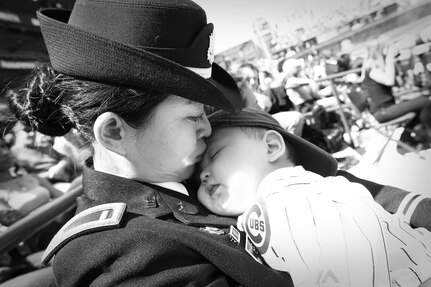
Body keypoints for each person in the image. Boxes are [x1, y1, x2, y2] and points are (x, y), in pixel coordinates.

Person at [4, 0, 431, 286]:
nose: (208, 130)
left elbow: (342, 187)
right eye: (192, 115)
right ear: (115, 132)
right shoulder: (116, 253)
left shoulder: (182, 165)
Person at [197, 108, 431, 287]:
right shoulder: (264, 210)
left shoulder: (290, 196)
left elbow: (347, 262)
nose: (204, 175)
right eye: (197, 178)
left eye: (215, 154)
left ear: (271, 146)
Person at [358, 36, 431, 147]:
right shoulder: (372, 68)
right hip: (382, 112)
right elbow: (389, 81)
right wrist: (389, 59)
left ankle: (417, 135)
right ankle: (424, 134)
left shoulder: (372, 66)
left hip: (387, 108)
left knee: (421, 103)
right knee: (426, 100)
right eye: (385, 49)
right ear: (379, 51)